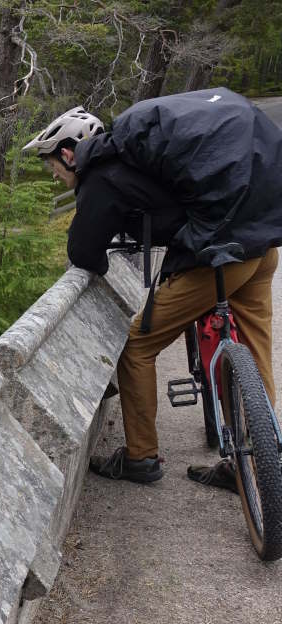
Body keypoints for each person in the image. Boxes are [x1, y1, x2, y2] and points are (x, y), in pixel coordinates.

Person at [23, 95, 282, 488]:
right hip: (260, 244)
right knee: (254, 338)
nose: (53, 175)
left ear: (68, 154)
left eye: (52, 166)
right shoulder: (135, 160)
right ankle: (257, 459)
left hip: (221, 256)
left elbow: (83, 252)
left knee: (138, 345)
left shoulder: (103, 177)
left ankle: (140, 456)